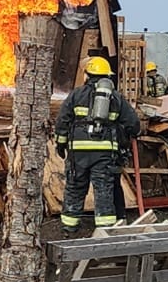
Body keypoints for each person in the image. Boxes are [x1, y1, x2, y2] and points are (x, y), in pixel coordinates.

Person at [55, 58, 141, 233]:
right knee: (103, 191)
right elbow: (133, 124)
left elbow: (62, 122)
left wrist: (61, 145)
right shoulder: (116, 98)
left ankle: (69, 228)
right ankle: (104, 230)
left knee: (75, 187)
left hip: (77, 153)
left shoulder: (76, 94)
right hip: (104, 153)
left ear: (87, 75)